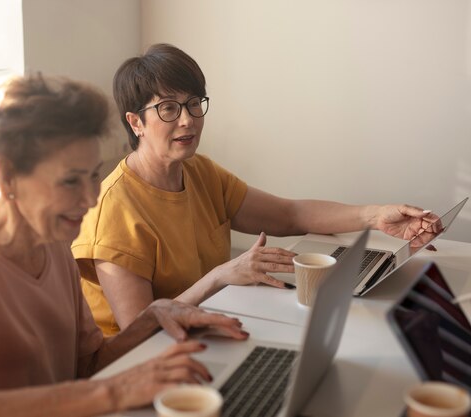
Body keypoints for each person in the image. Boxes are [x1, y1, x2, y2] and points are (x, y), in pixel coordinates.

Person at [0, 74, 248, 417]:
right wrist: (110, 392)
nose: (89, 198)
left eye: (93, 175)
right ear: (7, 177)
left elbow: (86, 365)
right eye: (70, 181)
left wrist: (153, 316)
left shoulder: (53, 246)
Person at [71, 43, 441, 336]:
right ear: (135, 122)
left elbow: (289, 214)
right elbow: (139, 329)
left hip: (210, 324)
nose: (188, 120)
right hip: (146, 359)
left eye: (194, 104)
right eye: (168, 108)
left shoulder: (200, 171)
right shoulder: (114, 211)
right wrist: (220, 275)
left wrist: (376, 216)